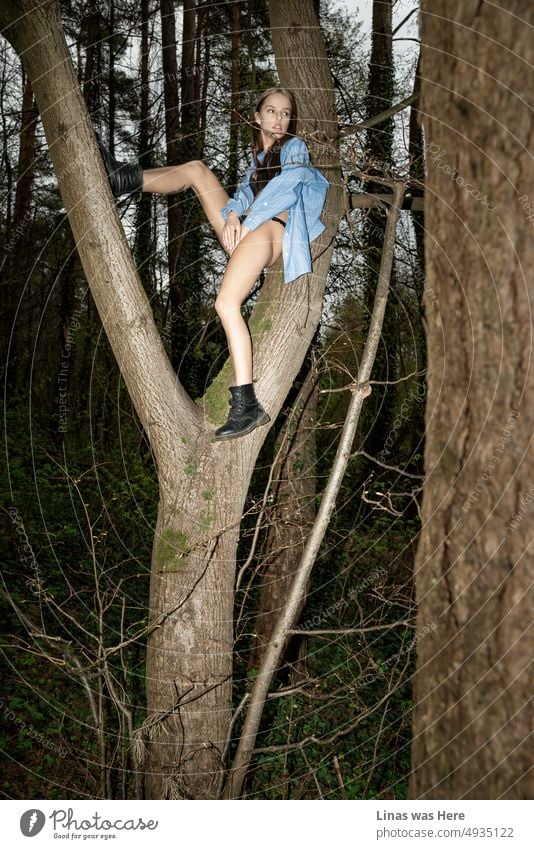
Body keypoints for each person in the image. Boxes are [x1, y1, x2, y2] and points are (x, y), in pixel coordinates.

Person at [98, 87, 329, 441]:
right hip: (249, 226)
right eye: (272, 111)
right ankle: (124, 179)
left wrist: (245, 221)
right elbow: (240, 197)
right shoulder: (258, 159)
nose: (279, 119)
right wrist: (235, 214)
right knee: (196, 171)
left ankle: (246, 402)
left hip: (271, 230)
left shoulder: (294, 149)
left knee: (225, 303)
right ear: (257, 116)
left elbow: (287, 187)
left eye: (285, 113)